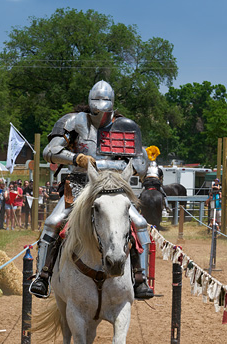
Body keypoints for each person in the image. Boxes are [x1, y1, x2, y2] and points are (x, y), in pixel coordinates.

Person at [30, 80, 152, 299]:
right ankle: (43, 276)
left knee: (140, 224)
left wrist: (121, 166)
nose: (100, 108)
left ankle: (140, 279)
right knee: (53, 222)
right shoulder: (73, 121)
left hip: (114, 186)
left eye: (105, 102)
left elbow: (141, 164)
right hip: (80, 183)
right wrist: (76, 157)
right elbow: (50, 151)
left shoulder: (126, 126)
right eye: (97, 102)